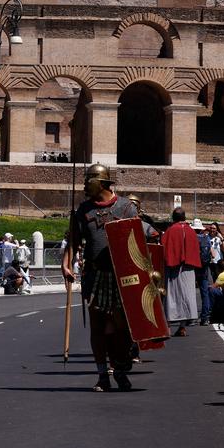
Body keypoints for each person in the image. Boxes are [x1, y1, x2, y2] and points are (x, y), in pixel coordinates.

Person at [61, 164, 138, 392]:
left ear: (102, 183)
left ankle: (120, 369)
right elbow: (73, 242)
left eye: (89, 180)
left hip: (120, 277)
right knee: (98, 328)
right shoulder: (83, 211)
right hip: (94, 275)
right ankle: (103, 375)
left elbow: (136, 245)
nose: (85, 185)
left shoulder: (126, 208)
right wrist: (66, 264)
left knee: (120, 328)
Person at [162, 208, 202, 338]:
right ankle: (182, 327)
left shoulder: (171, 230)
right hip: (188, 267)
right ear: (184, 217)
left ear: (174, 217)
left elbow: (163, 247)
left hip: (173, 267)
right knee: (187, 295)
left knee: (171, 295)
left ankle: (167, 326)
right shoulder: (191, 231)